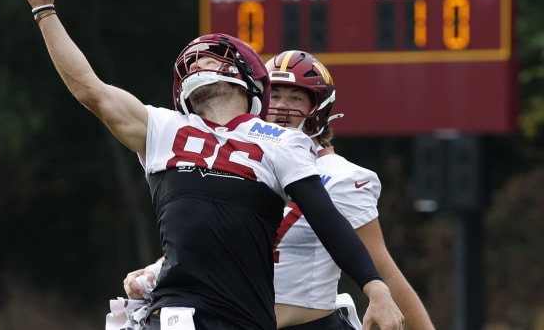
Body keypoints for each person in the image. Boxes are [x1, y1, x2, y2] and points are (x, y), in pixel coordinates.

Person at [15, 0, 404, 330]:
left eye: (213, 58)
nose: (200, 63)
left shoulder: (282, 143)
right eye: (195, 60)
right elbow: (91, 91)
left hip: (243, 318)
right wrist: (44, 11)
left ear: (250, 82)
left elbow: (327, 220)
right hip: (174, 315)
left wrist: (377, 289)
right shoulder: (161, 129)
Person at [123, 51, 434, 330]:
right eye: (276, 96)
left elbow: (383, 269)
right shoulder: (239, 160)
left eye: (296, 98)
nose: (282, 107)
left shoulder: (341, 178)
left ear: (318, 108)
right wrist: (156, 270)